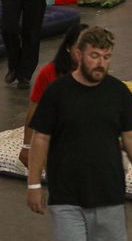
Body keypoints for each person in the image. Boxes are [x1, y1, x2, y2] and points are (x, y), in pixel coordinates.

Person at [26, 26, 132, 241]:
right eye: (94, 55)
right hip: (66, 194)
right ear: (78, 54)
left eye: (106, 57)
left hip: (109, 194)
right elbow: (41, 138)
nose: (101, 63)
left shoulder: (118, 92)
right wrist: (33, 184)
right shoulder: (57, 92)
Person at [19, 23, 88, 168]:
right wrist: (26, 146)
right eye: (79, 47)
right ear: (68, 48)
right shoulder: (49, 73)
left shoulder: (96, 73)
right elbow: (34, 110)